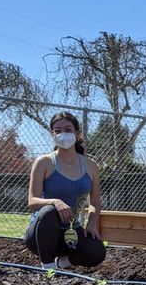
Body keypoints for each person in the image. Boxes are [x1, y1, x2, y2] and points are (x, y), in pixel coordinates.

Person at [25, 112, 106, 269]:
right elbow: (32, 201)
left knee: (97, 251)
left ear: (77, 133)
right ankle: (48, 268)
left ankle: (62, 263)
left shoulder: (91, 166)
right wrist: (55, 202)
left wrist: (91, 225)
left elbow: (95, 202)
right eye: (58, 130)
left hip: (71, 233)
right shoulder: (44, 162)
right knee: (48, 211)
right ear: (53, 135)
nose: (63, 134)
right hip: (41, 234)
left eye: (68, 129)